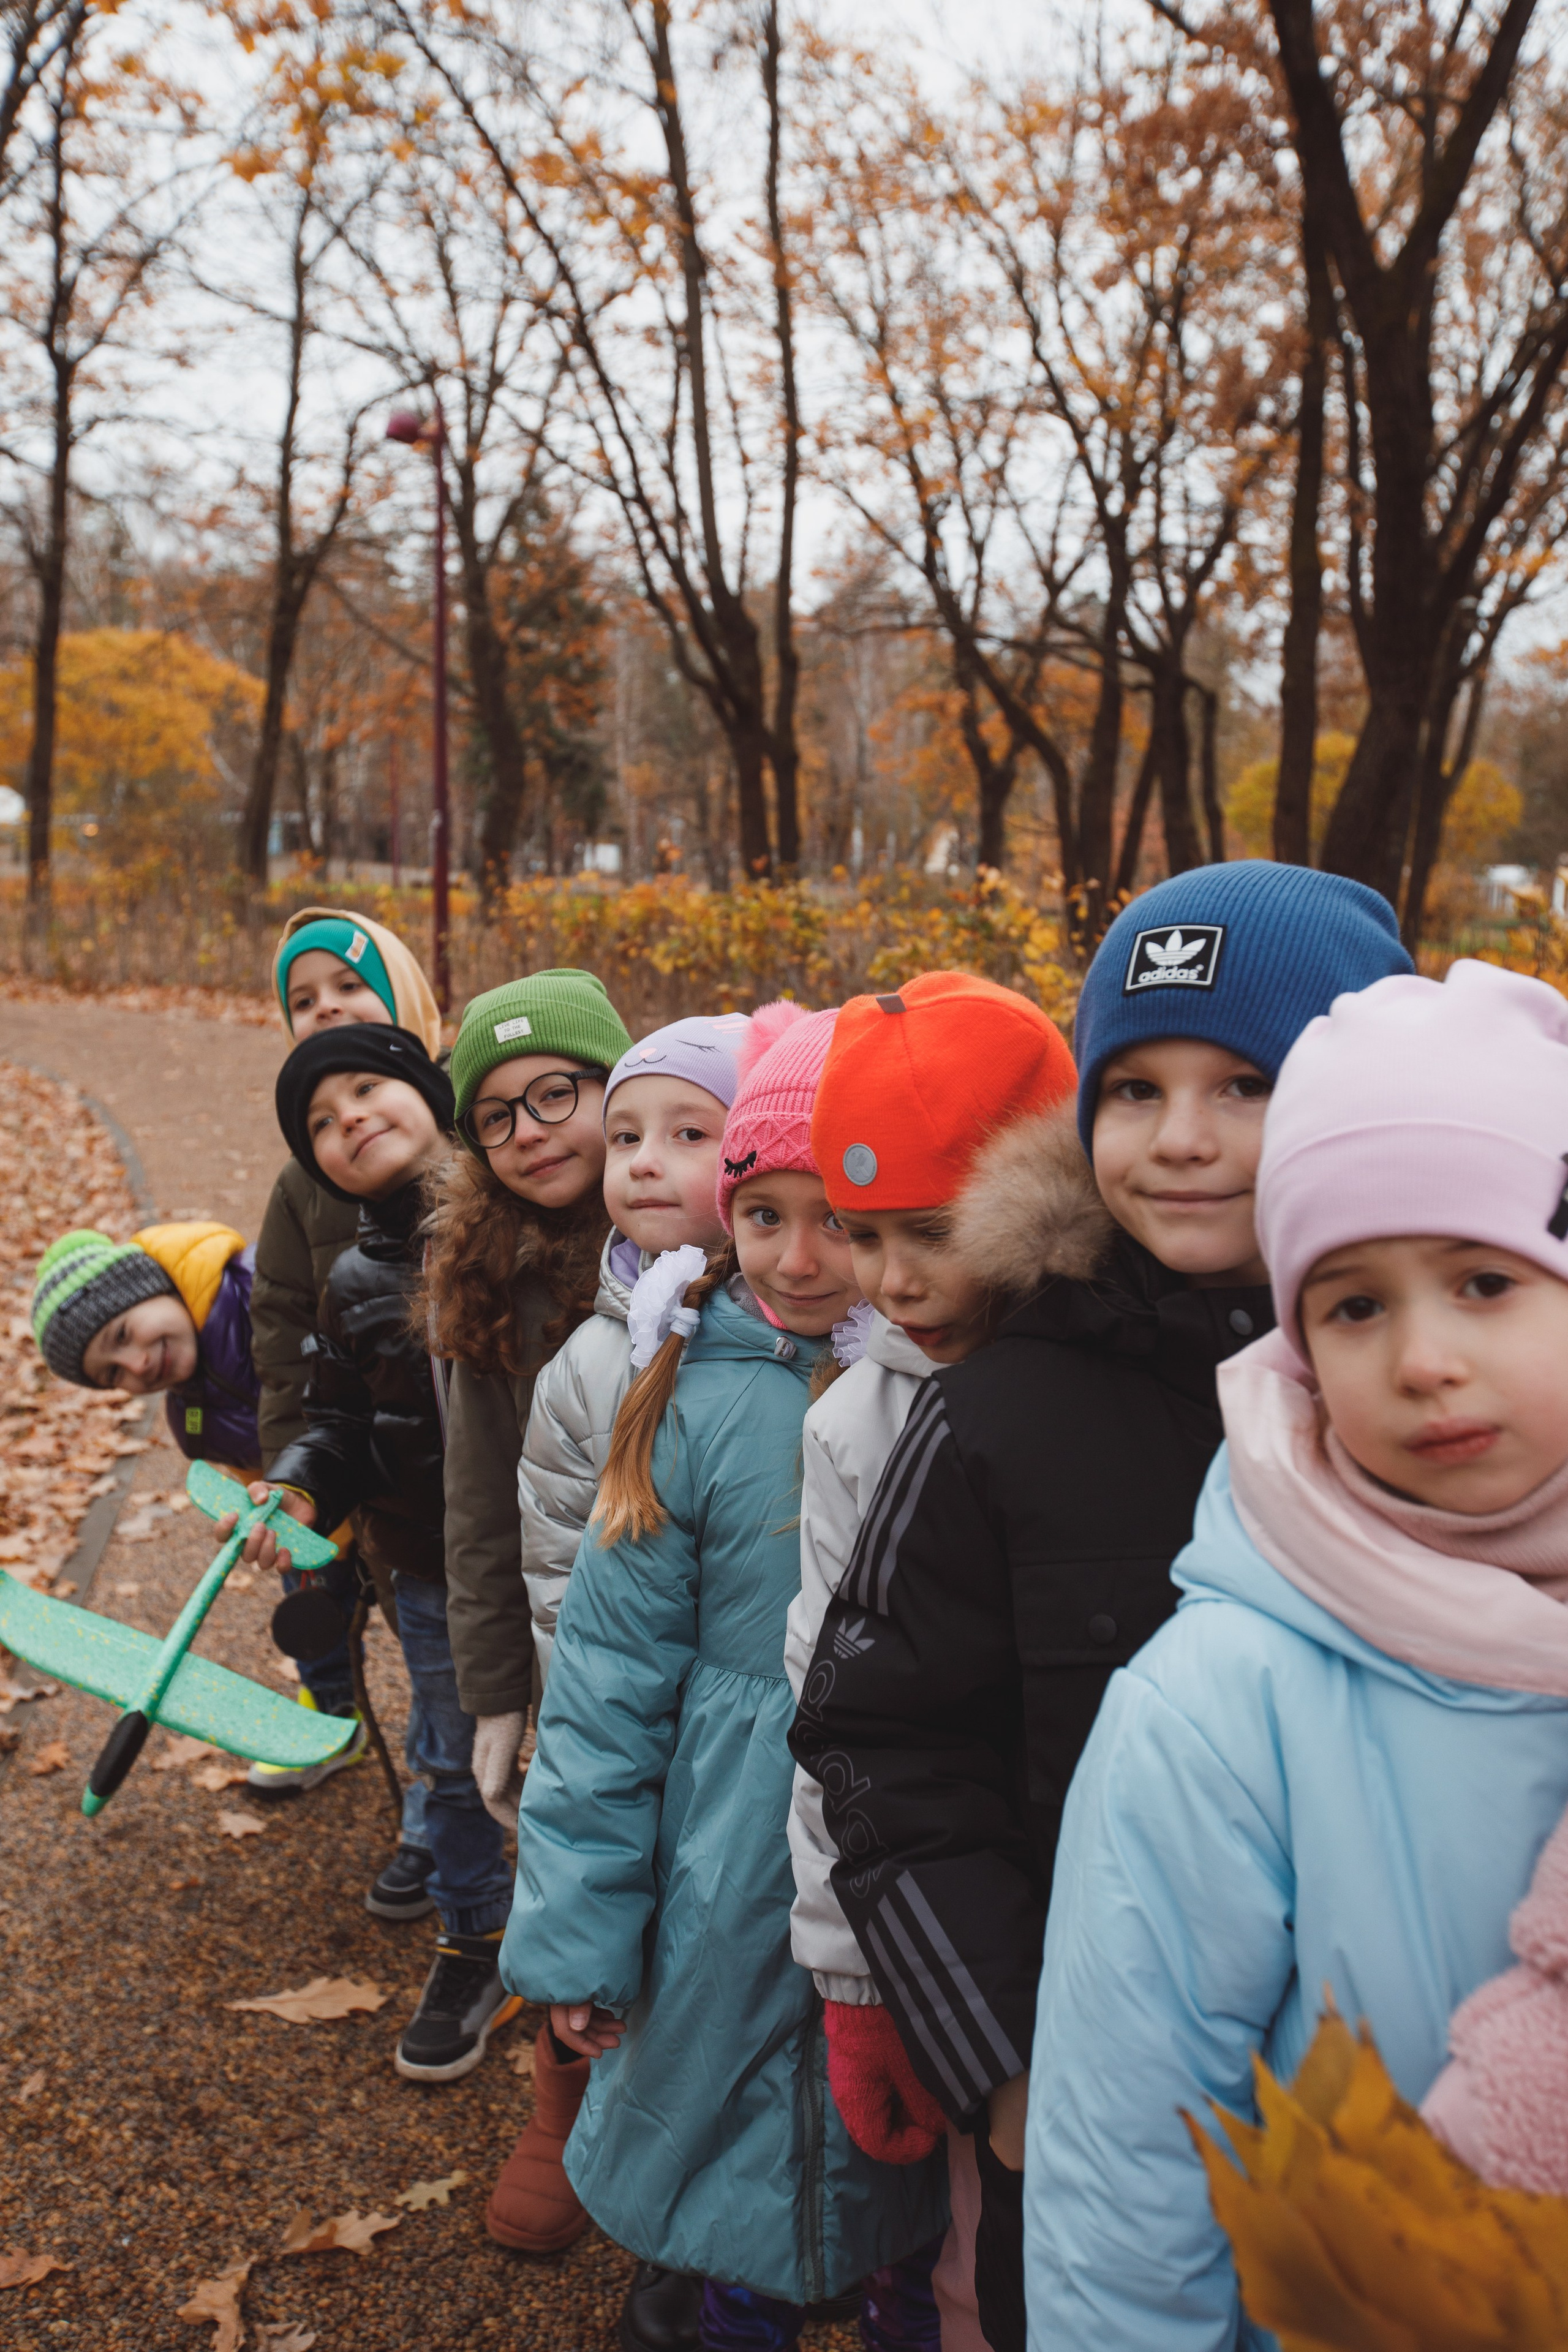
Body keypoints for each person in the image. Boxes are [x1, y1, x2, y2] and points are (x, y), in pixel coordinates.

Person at [788, 862, 1415, 2352]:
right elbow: (884, 1740)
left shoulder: (1455, 1386)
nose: (1181, 1140)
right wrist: (1002, 2058)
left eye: (1243, 1082)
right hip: (1092, 2112)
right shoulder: (999, 1410)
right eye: (1132, 1087)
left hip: (1412, 2115)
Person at [1023, 957, 1568, 2347]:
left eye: (1484, 1278)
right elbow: (1126, 2165)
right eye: (1352, 1304)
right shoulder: (1218, 1703)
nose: (1422, 1356)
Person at [506, 1002, 950, 2352]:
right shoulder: (684, 1391)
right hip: (720, 1853)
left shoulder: (944, 1388)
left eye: (843, 1220)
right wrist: (580, 1931)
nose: (803, 1260)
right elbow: (603, 1690)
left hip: (905, 1856)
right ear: (726, 1213)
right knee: (727, 2153)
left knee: (915, 2192)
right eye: (765, 1216)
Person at [783, 971, 1077, 2352]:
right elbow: (836, 1714)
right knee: (983, 2249)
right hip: (970, 1934)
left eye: (933, 1231)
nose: (893, 1283)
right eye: (860, 1236)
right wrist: (853, 1982)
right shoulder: (855, 1427)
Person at [474, 1010, 750, 2295]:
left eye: (684, 1135)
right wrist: (532, 1708)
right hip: (624, 1712)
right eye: (628, 1137)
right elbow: (546, 1564)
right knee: (621, 1937)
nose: (641, 1162)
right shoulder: (592, 1362)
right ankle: (585, 2117)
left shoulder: (829, 1337)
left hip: (754, 1730)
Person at [236, 1023, 522, 2083]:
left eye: (365, 1089)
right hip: (432, 1560)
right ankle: (475, 1938)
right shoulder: (355, 1275)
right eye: (320, 1121)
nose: (346, 1115)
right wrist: (306, 1483)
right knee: (449, 1754)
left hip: (558, 1557)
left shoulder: (526, 1221)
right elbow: (341, 1415)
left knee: (589, 1748)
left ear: (429, 1096)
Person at [247, 907, 442, 1864]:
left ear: (402, 992)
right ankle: (433, 1814)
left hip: (484, 1479)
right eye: (302, 1000)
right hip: (375, 1470)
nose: (325, 1010)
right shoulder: (305, 1180)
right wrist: (301, 1486)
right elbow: (287, 1341)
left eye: (348, 988)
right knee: (420, 1642)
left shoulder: (470, 1121)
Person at [32, 1220, 261, 1466]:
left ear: (152, 1288)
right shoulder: (197, 1426)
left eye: (122, 1335)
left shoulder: (267, 1286)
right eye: (113, 1373)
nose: (137, 1366)